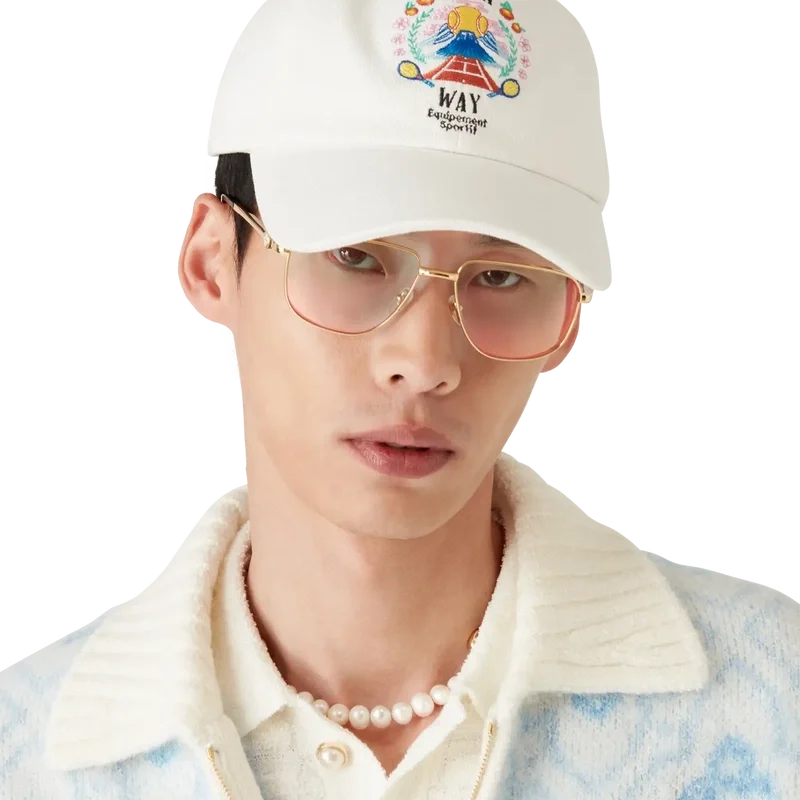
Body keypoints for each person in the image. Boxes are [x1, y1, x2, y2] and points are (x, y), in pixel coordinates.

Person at [2, 1, 797, 798]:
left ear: (571, 320)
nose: (425, 363)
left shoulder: (779, 699)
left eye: (501, 276)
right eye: (356, 256)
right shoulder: (24, 756)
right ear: (212, 262)